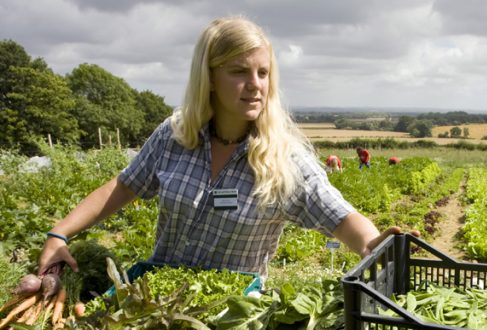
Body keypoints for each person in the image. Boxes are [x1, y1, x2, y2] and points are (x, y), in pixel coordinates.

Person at [38, 16, 415, 277]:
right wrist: (60, 233)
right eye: (239, 71)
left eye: (263, 72)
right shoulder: (175, 136)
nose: (256, 84)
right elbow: (124, 186)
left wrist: (371, 242)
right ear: (210, 78)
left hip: (234, 314)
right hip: (157, 302)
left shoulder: (284, 160)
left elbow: (340, 216)